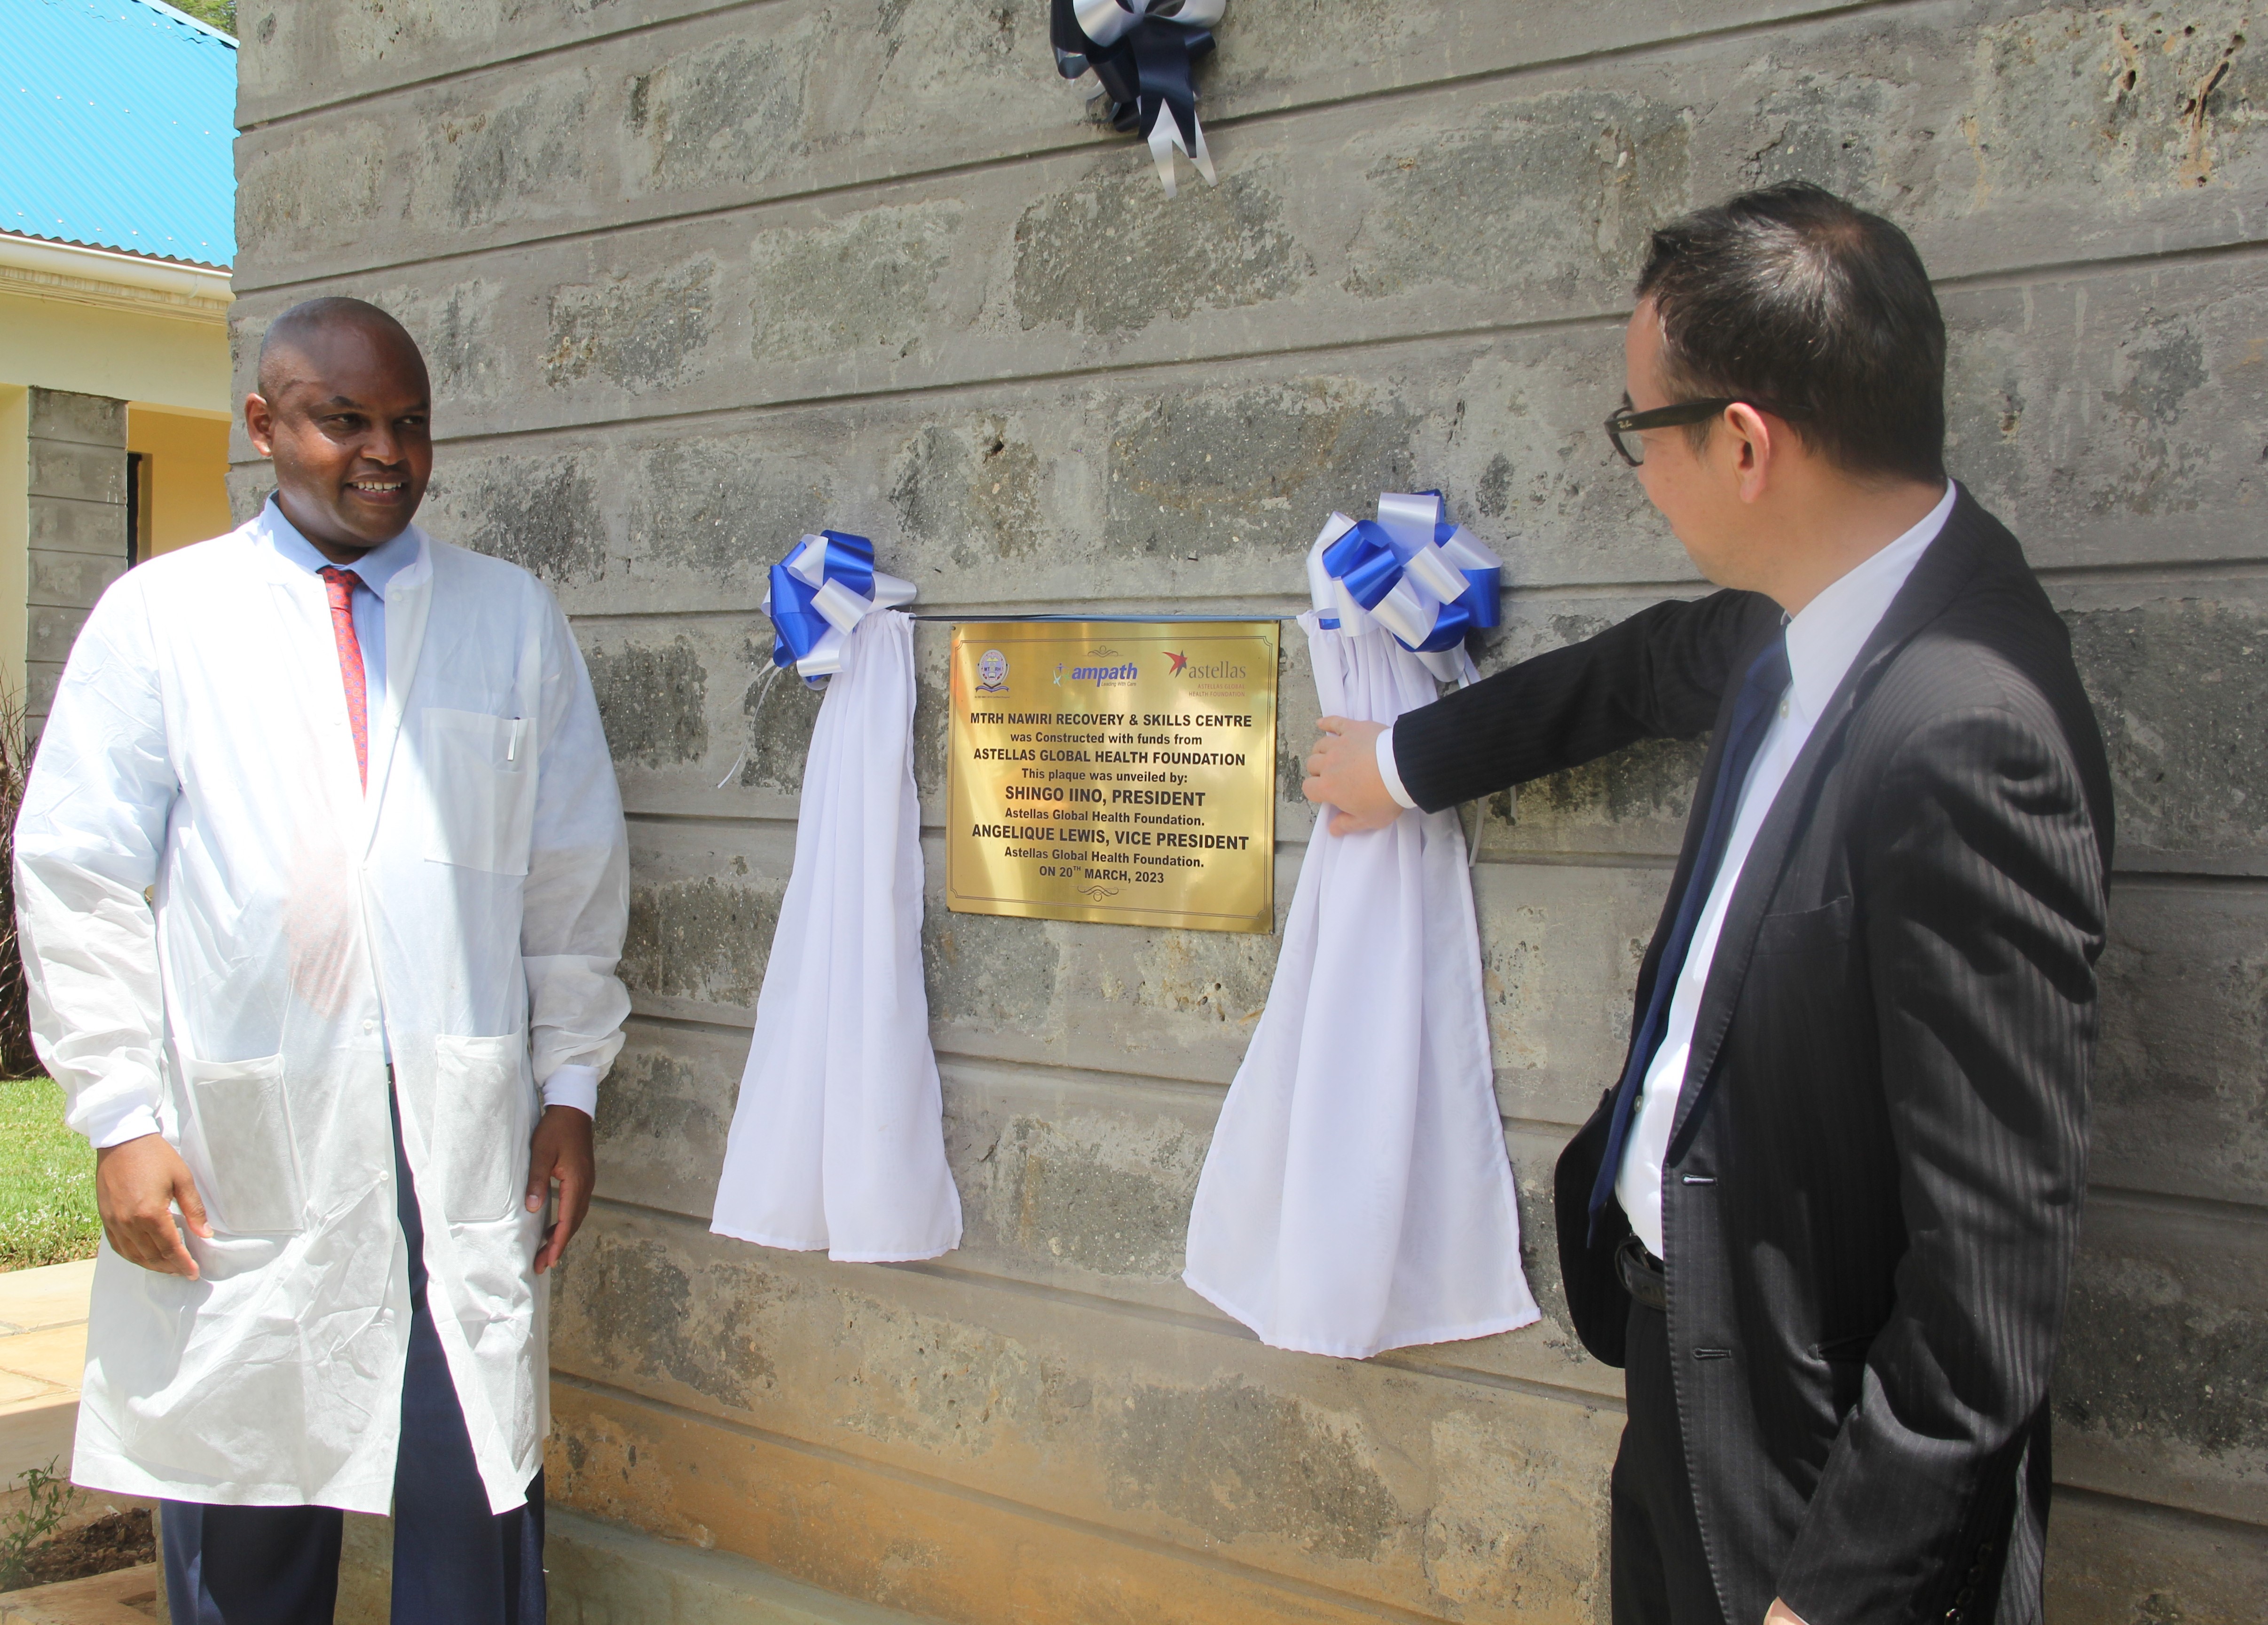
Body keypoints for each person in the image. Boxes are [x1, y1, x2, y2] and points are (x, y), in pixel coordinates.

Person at [1303, 183, 2110, 1625]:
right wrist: (1403, 764)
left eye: (1640, 428)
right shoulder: (1814, 605)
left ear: (1743, 444)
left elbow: (1990, 1275)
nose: (1638, 472)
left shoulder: (1970, 734)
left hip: (1817, 1475)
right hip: (1691, 1372)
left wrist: (1839, 1594)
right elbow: (1641, 671)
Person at [15, 297, 630, 1625]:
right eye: (344, 419)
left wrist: (570, 1087)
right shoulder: (164, 618)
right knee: (248, 1483)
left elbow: (570, 874)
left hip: (455, 1129)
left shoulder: (509, 619)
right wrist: (120, 1118)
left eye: (410, 423)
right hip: (253, 1131)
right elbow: (76, 873)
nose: (386, 453)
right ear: (263, 425)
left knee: (472, 1486)